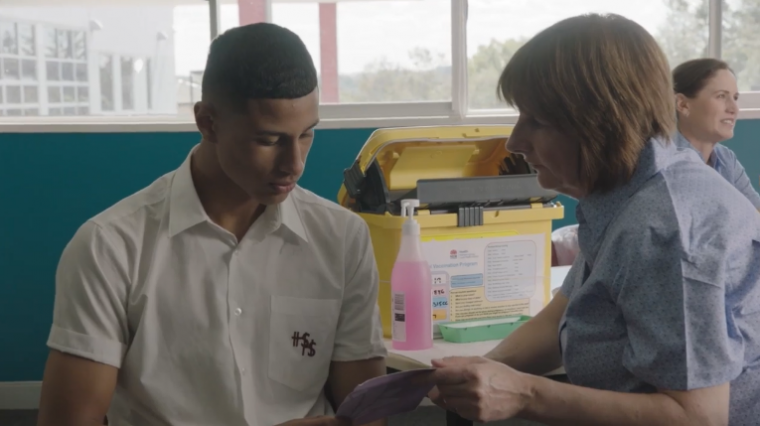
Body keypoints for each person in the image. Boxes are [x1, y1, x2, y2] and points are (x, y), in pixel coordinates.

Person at [37, 23, 387, 426]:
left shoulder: (343, 238)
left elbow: (366, 416)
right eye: (269, 140)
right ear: (207, 121)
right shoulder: (110, 247)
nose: (295, 164)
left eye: (306, 135)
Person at [428, 14, 760, 426]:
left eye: (537, 122)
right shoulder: (622, 194)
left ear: (600, 122)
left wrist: (525, 394)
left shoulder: (663, 226)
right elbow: (560, 318)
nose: (515, 142)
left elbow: (697, 418)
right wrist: (473, 372)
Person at [673, 58, 760, 209]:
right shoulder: (663, 161)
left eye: (735, 98)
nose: (733, 108)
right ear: (683, 104)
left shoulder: (727, 160)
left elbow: (755, 213)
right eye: (721, 96)